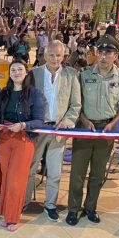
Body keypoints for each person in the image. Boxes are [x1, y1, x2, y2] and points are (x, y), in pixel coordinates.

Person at [67, 35, 119, 226]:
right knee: (77, 172)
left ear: (116, 55)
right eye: (100, 52)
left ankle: (90, 207)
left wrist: (113, 123)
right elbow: (75, 102)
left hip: (106, 129)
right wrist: (84, 120)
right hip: (85, 128)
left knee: (97, 173)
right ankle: (73, 209)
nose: (103, 56)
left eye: (108, 53)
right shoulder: (84, 74)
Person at [24, 41, 82, 220]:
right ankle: (24, 202)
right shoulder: (34, 74)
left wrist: (66, 122)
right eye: (51, 55)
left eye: (58, 55)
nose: (55, 59)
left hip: (58, 129)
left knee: (55, 171)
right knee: (29, 168)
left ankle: (50, 205)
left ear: (64, 56)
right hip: (38, 129)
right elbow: (27, 101)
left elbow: (76, 104)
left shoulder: (72, 75)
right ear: (44, 55)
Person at [0, 60, 45, 232]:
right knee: (5, 177)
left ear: (26, 73)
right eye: (13, 69)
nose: (16, 72)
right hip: (4, 138)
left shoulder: (34, 93)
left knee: (16, 180)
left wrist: (24, 125)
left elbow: (40, 120)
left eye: (20, 69)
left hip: (24, 138)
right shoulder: (4, 93)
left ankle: (13, 218)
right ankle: (5, 213)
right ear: (9, 73)